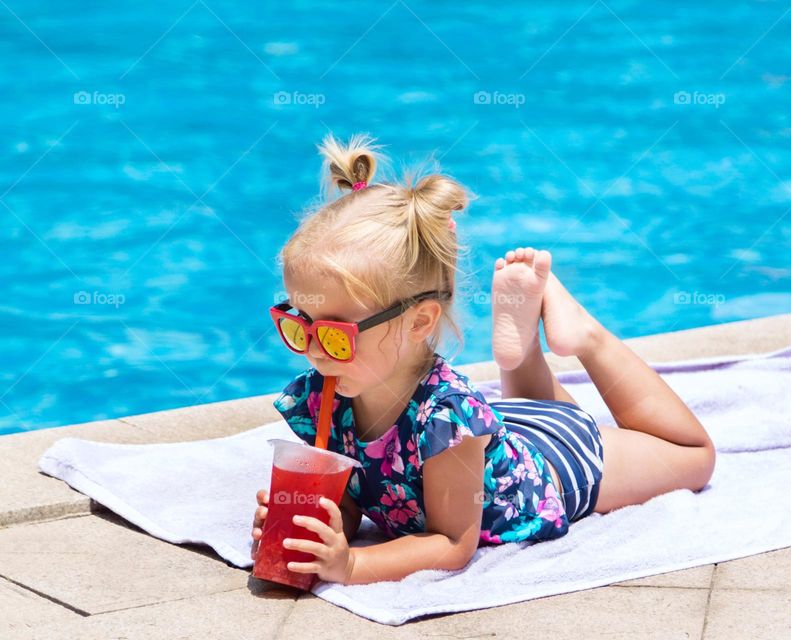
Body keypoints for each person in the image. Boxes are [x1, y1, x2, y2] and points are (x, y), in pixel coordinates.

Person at [250, 134, 716, 586]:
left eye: (335, 335)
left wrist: (350, 566)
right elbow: (354, 496)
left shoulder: (447, 419)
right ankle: (523, 347)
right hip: (505, 429)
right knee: (527, 416)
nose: (312, 350)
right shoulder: (326, 395)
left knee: (694, 458)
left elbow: (452, 542)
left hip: (556, 462)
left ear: (419, 322)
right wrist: (319, 532)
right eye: (298, 323)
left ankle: (587, 336)